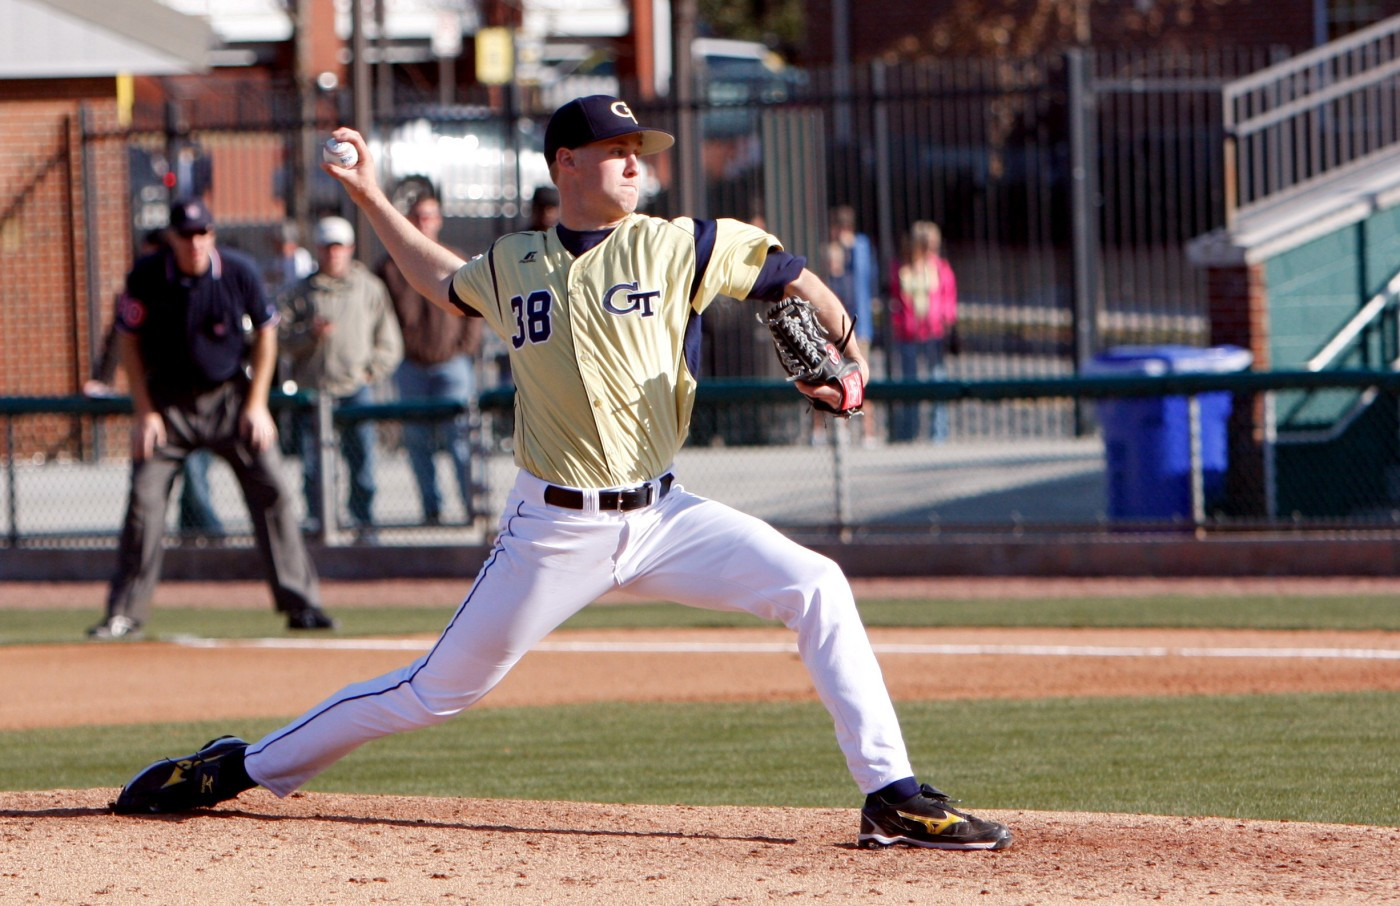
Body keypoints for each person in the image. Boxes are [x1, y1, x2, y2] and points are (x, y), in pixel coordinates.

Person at [110, 97, 1012, 852]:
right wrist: (369, 193)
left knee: (817, 584)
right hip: (554, 528)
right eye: (616, 151)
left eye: (639, 151)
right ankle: (240, 765)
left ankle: (889, 793)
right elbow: (438, 277)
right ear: (565, 162)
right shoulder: (516, 263)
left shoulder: (678, 243)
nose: (633, 163)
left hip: (666, 515)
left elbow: (788, 277)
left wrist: (847, 356)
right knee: (435, 693)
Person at [86, 198, 335, 640]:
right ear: (171, 238)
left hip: (230, 402)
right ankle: (124, 613)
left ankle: (302, 604)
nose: (195, 242)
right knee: (144, 503)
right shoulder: (148, 275)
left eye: (203, 233)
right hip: (168, 406)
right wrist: (144, 413)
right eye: (186, 234)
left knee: (273, 488)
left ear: (213, 235)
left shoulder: (238, 272)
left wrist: (258, 404)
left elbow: (267, 333)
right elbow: (128, 339)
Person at [279, 216, 403, 542]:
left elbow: (389, 342)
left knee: (361, 461)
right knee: (313, 467)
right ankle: (318, 522)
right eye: (327, 247)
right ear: (318, 250)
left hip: (355, 392)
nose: (333, 254)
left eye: (339, 247)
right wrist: (309, 334)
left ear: (350, 249)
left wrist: (369, 372)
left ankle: (363, 523)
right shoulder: (300, 292)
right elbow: (279, 340)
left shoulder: (369, 288)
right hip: (313, 393)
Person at [379, 194, 481, 525]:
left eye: (429, 216)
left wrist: (465, 347)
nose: (423, 222)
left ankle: (472, 507)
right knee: (417, 442)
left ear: (439, 220)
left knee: (461, 441)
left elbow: (476, 310)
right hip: (410, 366)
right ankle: (431, 509)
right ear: (409, 221)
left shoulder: (456, 259)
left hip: (452, 364)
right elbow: (382, 315)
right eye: (417, 217)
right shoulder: (391, 267)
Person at [816, 205, 880, 447]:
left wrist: (848, 247)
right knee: (835, 376)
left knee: (861, 375)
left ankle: (868, 431)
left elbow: (864, 275)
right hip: (836, 326)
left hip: (858, 325)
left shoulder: (860, 247)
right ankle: (840, 428)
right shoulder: (832, 253)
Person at [889, 221, 957, 443]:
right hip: (909, 333)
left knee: (937, 381)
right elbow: (895, 297)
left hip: (933, 332)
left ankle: (939, 433)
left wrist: (947, 318)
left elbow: (948, 295)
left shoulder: (939, 267)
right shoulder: (902, 267)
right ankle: (908, 433)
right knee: (910, 384)